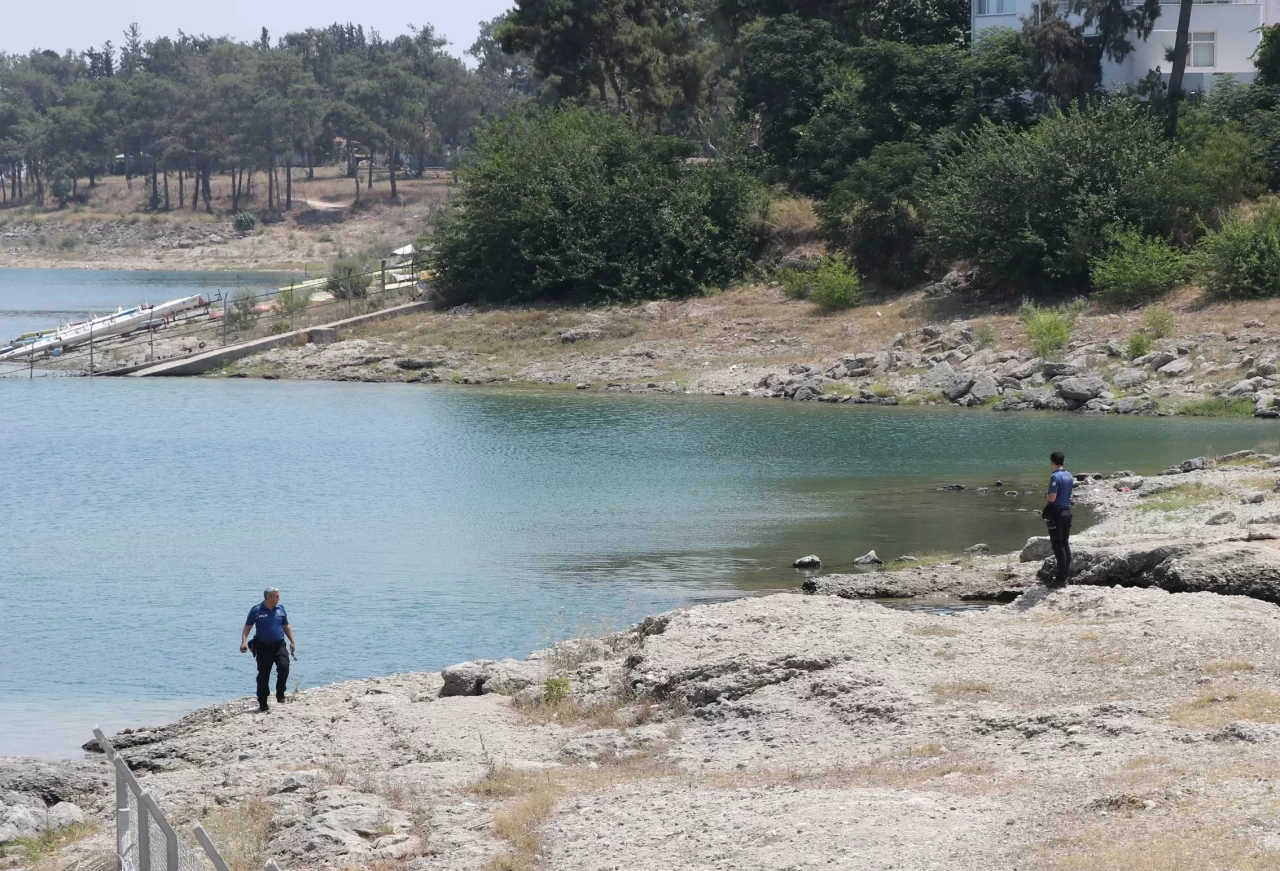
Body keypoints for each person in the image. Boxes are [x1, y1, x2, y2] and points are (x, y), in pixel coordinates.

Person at [240, 587, 296, 712]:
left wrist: (292, 641)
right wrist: (243, 641)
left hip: (279, 645)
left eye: (278, 596)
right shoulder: (256, 610)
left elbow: (286, 626)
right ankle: (263, 702)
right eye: (276, 596)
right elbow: (247, 627)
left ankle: (280, 693)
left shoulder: (280, 609)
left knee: (284, 667)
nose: (278, 598)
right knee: (263, 675)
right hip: (263, 647)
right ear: (268, 597)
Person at [1043, 451, 1074, 588]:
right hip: (1067, 511)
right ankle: (1065, 575)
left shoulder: (1055, 477)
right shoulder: (1069, 475)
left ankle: (1060, 579)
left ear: (1052, 462)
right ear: (1064, 462)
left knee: (1057, 544)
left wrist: (1046, 495)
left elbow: (1052, 497)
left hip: (1057, 513)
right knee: (1065, 543)